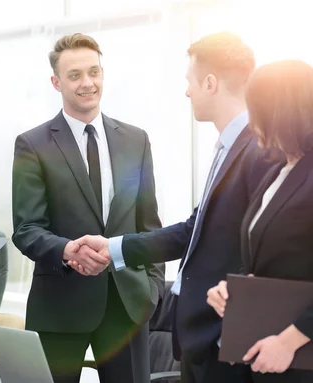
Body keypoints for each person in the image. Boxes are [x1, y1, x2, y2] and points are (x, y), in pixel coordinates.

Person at [71, 32, 272, 383]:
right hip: (200, 334)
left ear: (210, 83)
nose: (187, 92)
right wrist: (114, 247)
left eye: (190, 82)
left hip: (224, 330)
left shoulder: (257, 149)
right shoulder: (229, 146)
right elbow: (194, 229)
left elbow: (262, 244)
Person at [12, 33, 165, 383]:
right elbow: (26, 229)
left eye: (94, 72)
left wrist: (152, 289)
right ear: (56, 82)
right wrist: (67, 250)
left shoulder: (136, 139)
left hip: (127, 305)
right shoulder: (32, 144)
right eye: (75, 75)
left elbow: (149, 223)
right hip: (60, 306)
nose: (87, 83)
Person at [207, 60, 313, 382]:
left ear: (280, 112)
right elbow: (265, 258)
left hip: (296, 355)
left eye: (256, 110)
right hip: (265, 355)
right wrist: (234, 289)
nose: (252, 122)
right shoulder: (276, 171)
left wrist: (289, 340)